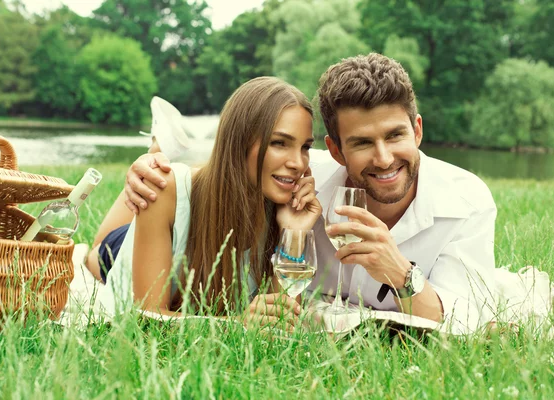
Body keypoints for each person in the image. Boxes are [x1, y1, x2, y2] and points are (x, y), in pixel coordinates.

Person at [124, 54, 497, 333]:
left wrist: (398, 271)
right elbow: (225, 168)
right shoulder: (302, 178)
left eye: (395, 135)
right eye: (363, 142)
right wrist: (148, 168)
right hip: (150, 235)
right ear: (336, 151)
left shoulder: (466, 203)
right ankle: (158, 147)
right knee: (101, 255)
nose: (383, 158)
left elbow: (455, 322)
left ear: (416, 131)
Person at [86, 77, 322, 326]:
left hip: (201, 197)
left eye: (305, 147)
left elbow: (281, 317)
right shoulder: (167, 189)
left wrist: (294, 234)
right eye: (279, 143)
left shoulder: (282, 203)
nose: (298, 163)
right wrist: (237, 324)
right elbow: (148, 319)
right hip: (143, 236)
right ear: (239, 141)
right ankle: (157, 150)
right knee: (96, 253)